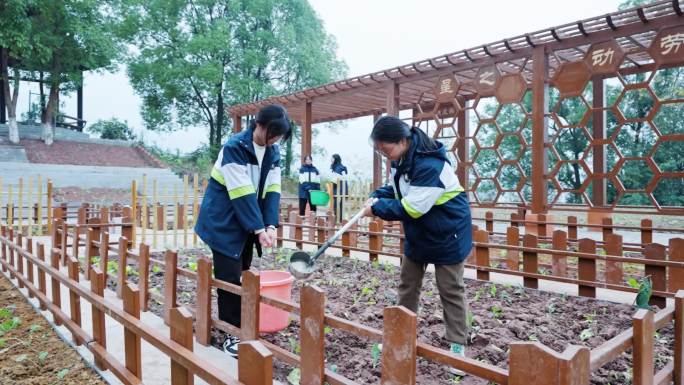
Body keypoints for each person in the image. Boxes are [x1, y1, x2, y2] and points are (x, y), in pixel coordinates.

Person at [362, 116, 472, 375]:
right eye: (381, 151)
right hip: (420, 231)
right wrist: (377, 195)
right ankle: (401, 332)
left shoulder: (431, 164)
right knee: (408, 282)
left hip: (448, 232)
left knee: (450, 288)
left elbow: (412, 207)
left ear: (402, 140)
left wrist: (376, 209)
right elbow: (397, 190)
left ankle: (457, 344)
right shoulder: (400, 160)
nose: (385, 155)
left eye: (386, 149)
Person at [194, 104, 291, 358]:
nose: (274, 140)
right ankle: (231, 335)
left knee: (244, 273)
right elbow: (241, 192)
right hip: (224, 220)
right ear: (258, 124)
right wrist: (259, 227)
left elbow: (272, 191)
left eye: (279, 136)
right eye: (272, 134)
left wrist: (270, 225)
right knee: (228, 277)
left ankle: (242, 325)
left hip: (248, 219)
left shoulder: (273, 152)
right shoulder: (235, 147)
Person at [330, 153, 348, 218]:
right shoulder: (342, 167)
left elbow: (334, 181)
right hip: (343, 188)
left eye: (332, 158)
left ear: (335, 159)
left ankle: (336, 219)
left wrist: (330, 189)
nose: (331, 160)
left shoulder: (337, 168)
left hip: (338, 189)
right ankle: (340, 219)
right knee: (341, 205)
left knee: (336, 205)